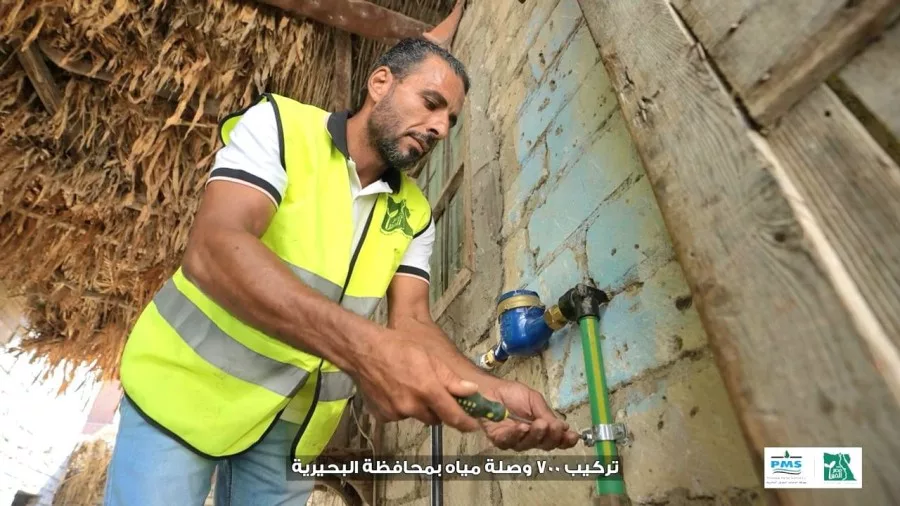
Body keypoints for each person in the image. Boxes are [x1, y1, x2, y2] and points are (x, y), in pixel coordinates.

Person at [104, 37, 580, 506]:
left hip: (292, 432)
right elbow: (214, 249)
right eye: (431, 103)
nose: (440, 127)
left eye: (450, 120)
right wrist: (365, 349)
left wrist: (491, 392)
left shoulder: (415, 213)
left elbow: (413, 321)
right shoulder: (281, 126)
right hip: (183, 393)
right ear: (380, 83)